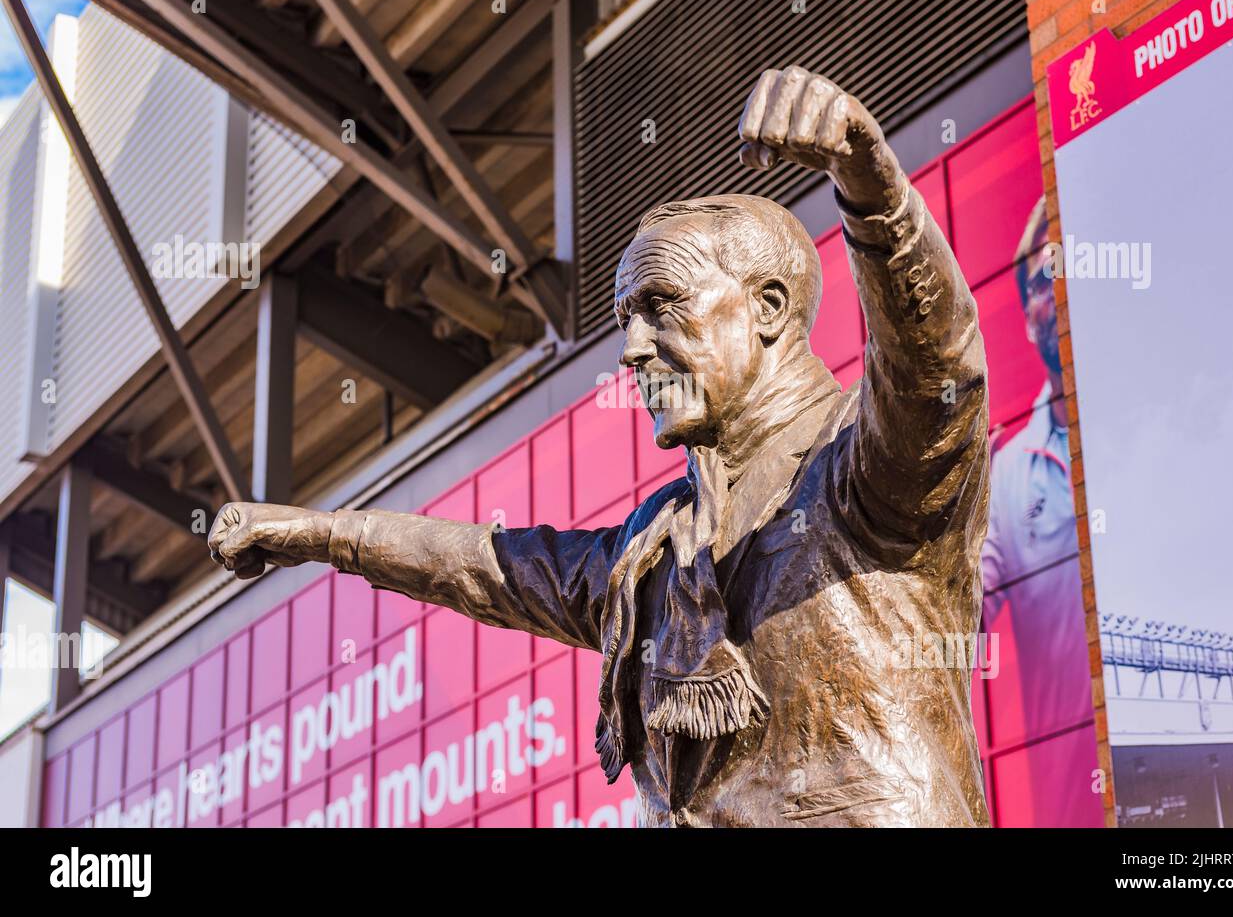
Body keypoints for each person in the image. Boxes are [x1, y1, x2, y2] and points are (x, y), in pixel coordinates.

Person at [209, 66, 992, 827]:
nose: (633, 350)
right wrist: (322, 535)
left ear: (769, 307)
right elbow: (492, 565)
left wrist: (871, 188)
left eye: (661, 306)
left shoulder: (868, 467)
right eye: (624, 320)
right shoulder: (653, 548)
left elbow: (937, 366)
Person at [980, 197, 1095, 823]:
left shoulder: (1156, 426)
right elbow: (961, 612)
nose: (1054, 291)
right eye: (1039, 282)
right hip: (1069, 805)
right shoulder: (1006, 472)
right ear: (1027, 315)